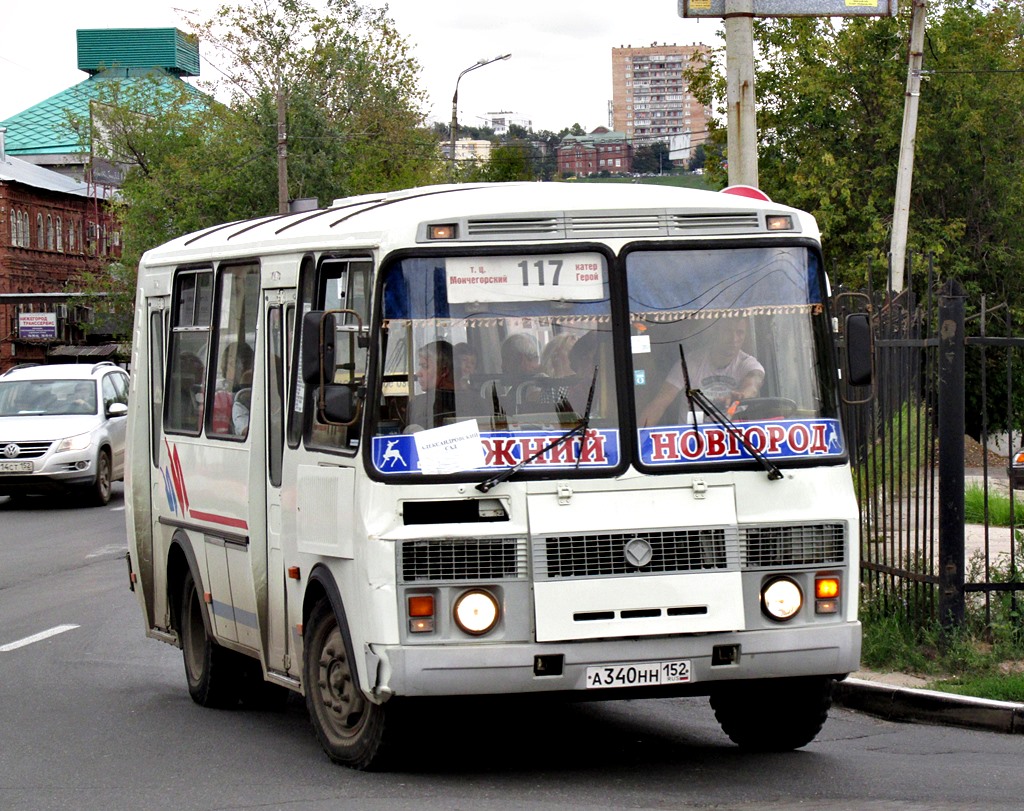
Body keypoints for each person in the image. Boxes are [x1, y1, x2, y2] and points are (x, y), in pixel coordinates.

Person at [641, 318, 764, 427]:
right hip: (690, 443)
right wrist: (638, 438)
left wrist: (741, 394)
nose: (734, 339)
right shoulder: (689, 364)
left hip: (733, 443)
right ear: (715, 332)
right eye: (727, 331)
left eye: (740, 332)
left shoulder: (749, 364)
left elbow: (754, 382)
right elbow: (659, 403)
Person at [404, 340, 456, 431]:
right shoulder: (478, 401)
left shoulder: (419, 404)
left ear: (443, 371)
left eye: (425, 366)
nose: (419, 373)